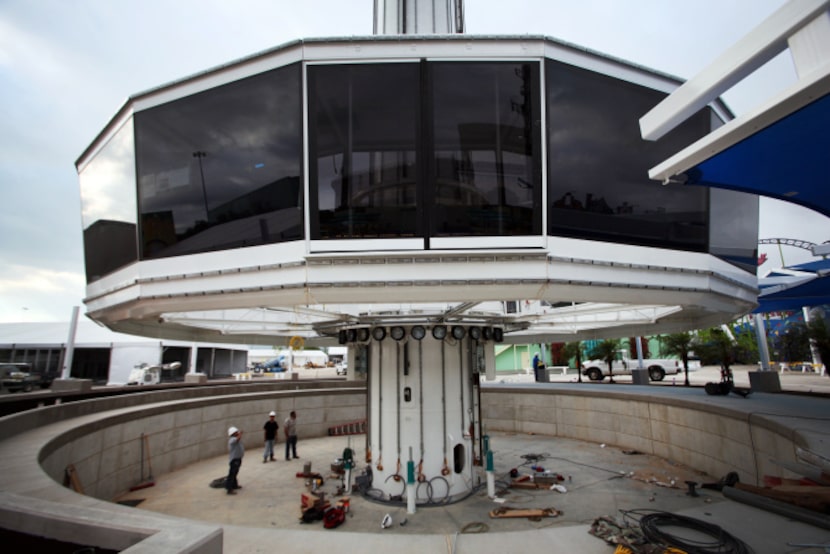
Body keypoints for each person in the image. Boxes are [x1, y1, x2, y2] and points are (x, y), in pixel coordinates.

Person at [226, 426, 244, 495]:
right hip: (234, 460)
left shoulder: (235, 439)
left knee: (235, 473)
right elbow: (237, 439)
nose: (237, 432)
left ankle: (234, 485)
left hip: (238, 459)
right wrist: (240, 434)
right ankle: (229, 489)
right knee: (232, 474)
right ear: (233, 433)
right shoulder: (232, 439)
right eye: (236, 432)